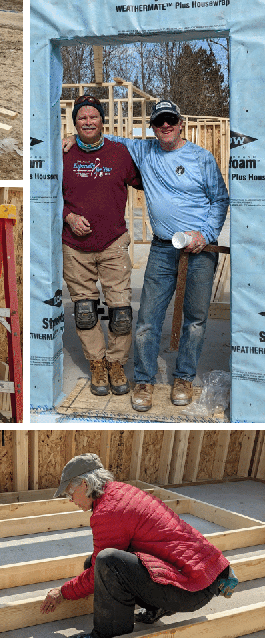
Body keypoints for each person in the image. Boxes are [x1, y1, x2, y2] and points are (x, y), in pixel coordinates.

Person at [66, 99, 229, 411]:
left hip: (200, 249)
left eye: (170, 121)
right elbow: (102, 137)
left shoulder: (201, 158)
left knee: (195, 319)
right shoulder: (144, 151)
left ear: (180, 123)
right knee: (147, 318)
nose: (165, 126)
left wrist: (204, 234)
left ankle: (183, 377)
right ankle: (144, 379)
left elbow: (219, 199)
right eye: (159, 122)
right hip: (162, 248)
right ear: (153, 127)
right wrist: (73, 138)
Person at [41, 453, 237, 638]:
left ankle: (108, 634)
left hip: (192, 589)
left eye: (70, 492)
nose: (70, 499)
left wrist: (62, 592)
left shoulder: (108, 511)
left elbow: (99, 571)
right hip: (203, 576)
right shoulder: (118, 492)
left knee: (107, 563)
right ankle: (157, 607)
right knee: (95, 562)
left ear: (85, 484)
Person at [62, 95, 142, 397]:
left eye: (93, 117)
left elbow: (144, 181)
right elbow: (45, 195)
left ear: (102, 120)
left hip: (113, 243)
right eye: (82, 118)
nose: (88, 122)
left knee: (121, 311)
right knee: (85, 311)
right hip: (75, 247)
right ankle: (97, 364)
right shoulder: (64, 155)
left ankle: (116, 364)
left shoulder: (120, 154)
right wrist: (67, 216)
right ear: (75, 123)